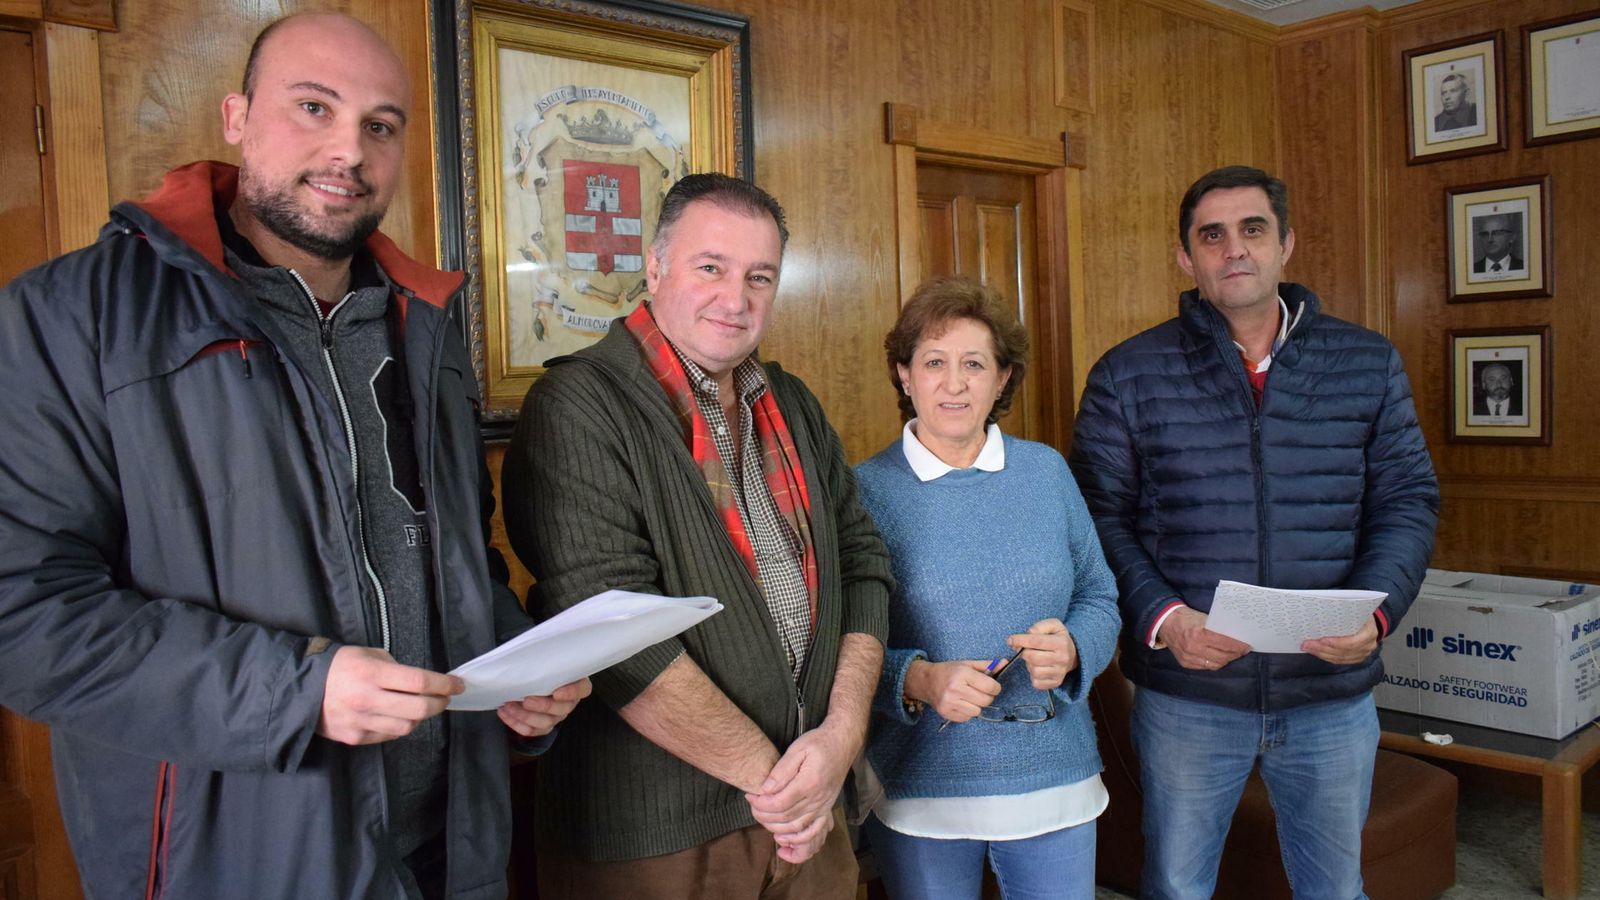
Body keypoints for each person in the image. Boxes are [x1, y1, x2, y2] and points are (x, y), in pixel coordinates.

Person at [0, 13, 589, 899]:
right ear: (237, 117)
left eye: (379, 125)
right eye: (314, 107)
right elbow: (25, 616)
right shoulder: (69, 316)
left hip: (447, 849)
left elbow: (457, 561)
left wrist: (516, 670)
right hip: (236, 861)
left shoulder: (426, 326)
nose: (348, 150)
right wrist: (296, 691)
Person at [502, 172, 894, 898]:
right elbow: (610, 630)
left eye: (759, 277)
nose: (735, 299)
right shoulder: (577, 404)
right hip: (661, 837)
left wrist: (841, 738)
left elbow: (864, 564)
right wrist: (779, 786)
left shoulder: (792, 401)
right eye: (711, 267)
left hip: (811, 809)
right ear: (654, 268)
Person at [1069, 165, 1439, 900]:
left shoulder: (1367, 362)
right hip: (1190, 692)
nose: (1233, 248)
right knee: (1178, 887)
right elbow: (1095, 516)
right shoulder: (1128, 373)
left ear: (1285, 244)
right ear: (1186, 258)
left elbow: (1407, 499)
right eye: (1212, 235)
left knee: (1335, 889)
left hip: (1327, 689)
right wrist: (1164, 618)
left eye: (1252, 229)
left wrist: (1377, 614)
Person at [852, 277, 1121, 900]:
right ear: (904, 375)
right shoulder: (863, 491)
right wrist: (918, 680)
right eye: (934, 363)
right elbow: (841, 638)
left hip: (1055, 777)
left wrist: (1075, 647)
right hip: (923, 787)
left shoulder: (1047, 471)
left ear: (1002, 379)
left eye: (974, 364)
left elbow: (1099, 595)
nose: (954, 384)